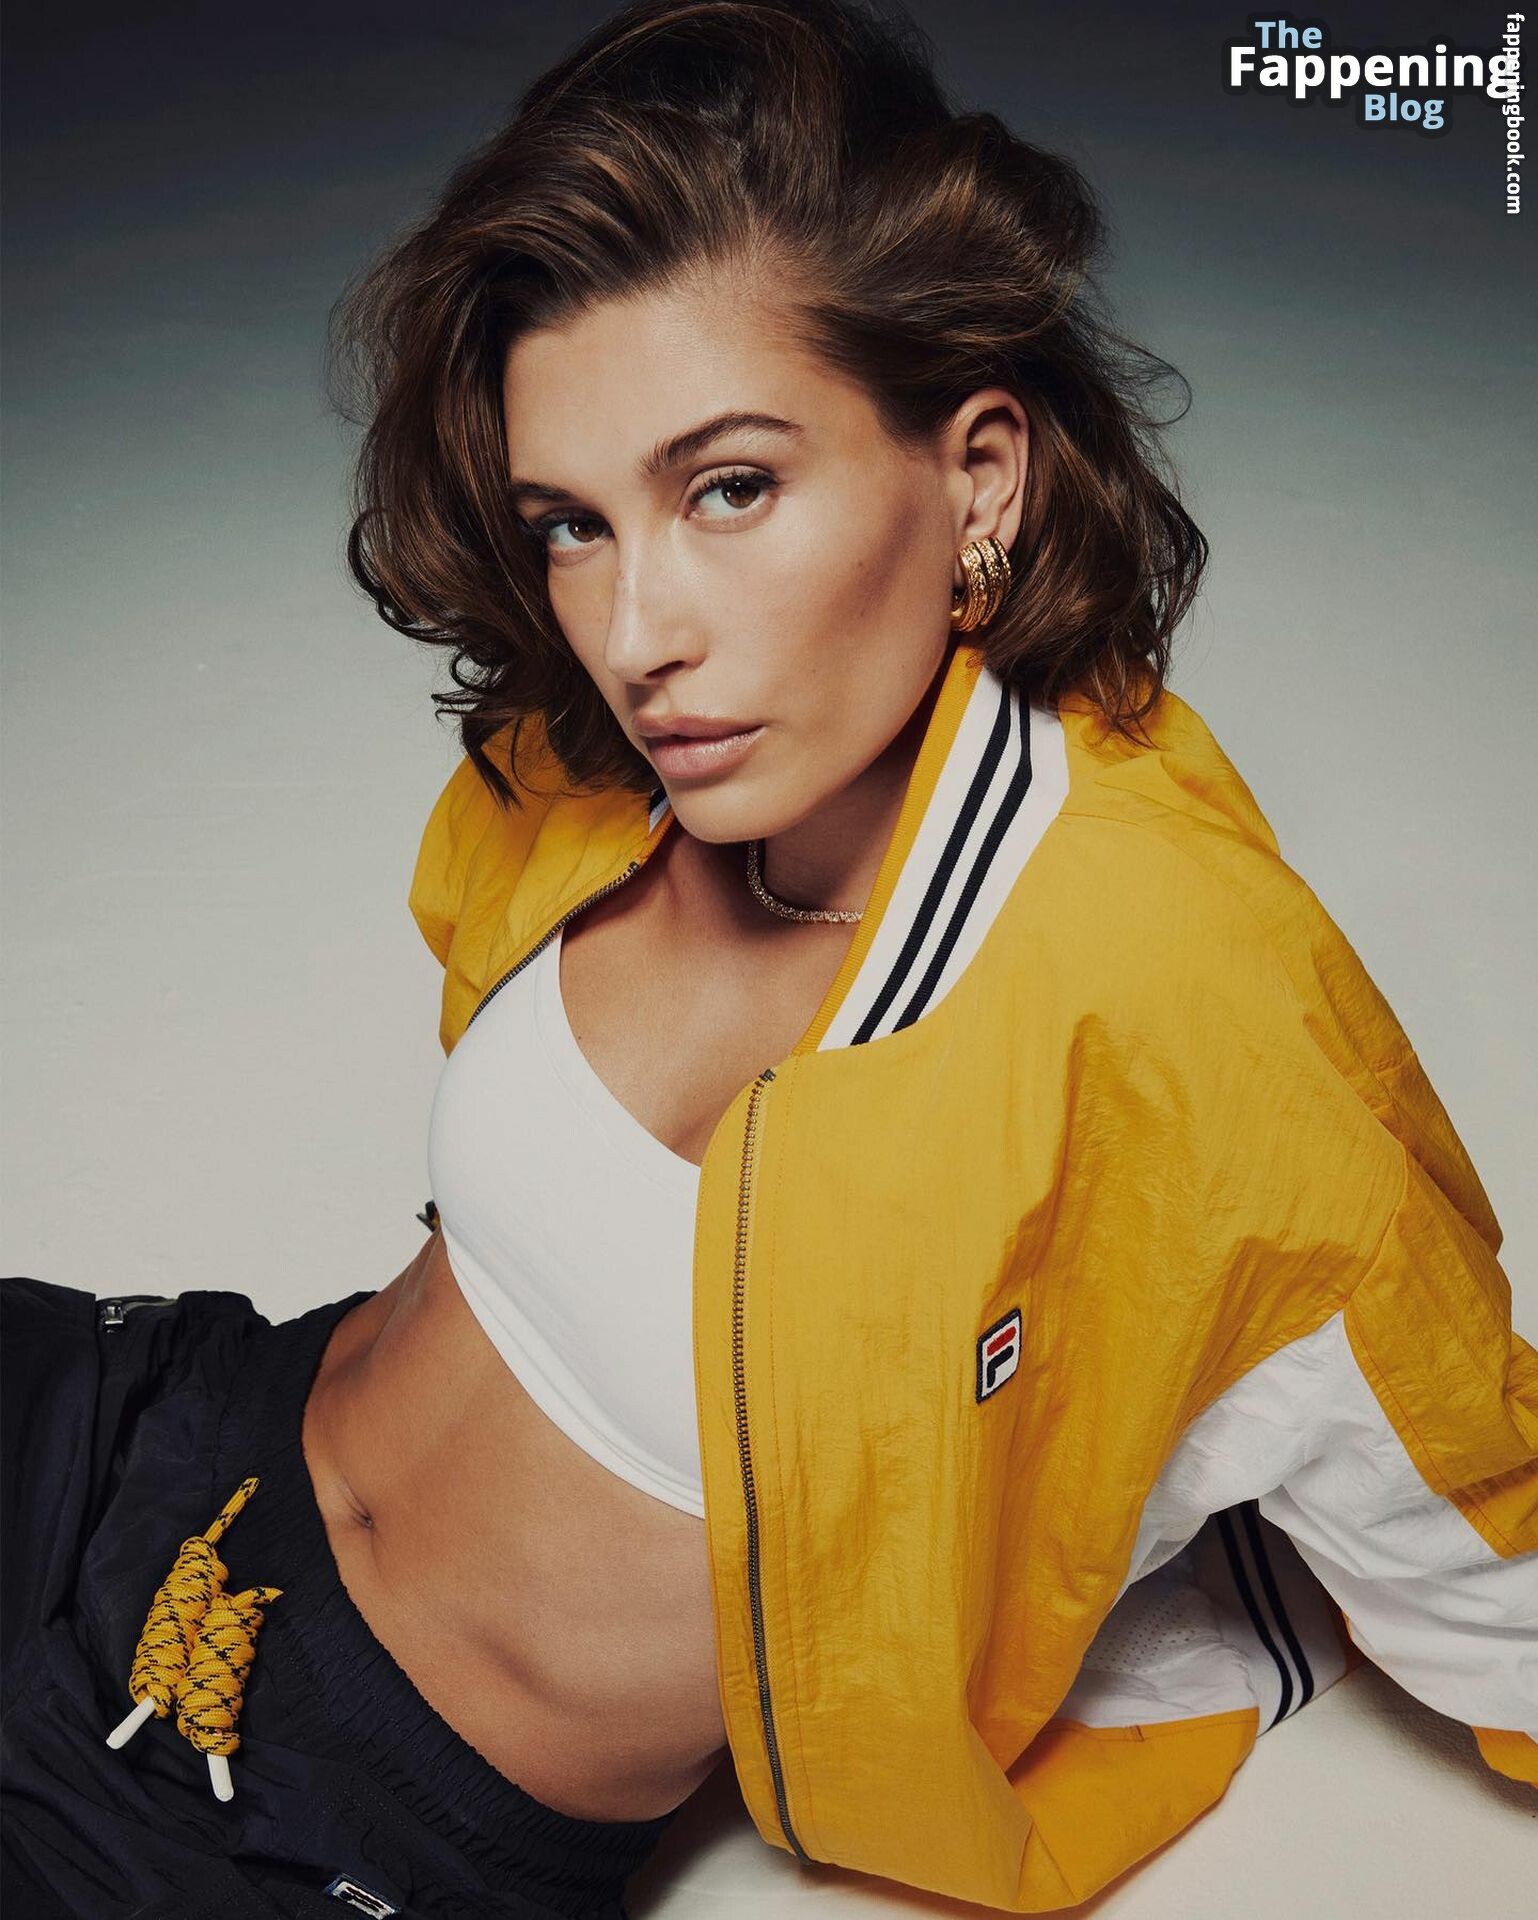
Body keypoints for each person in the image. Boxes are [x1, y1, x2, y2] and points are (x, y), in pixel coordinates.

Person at [4, 0, 1535, 1914]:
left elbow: (1468, 1505)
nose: (633, 633)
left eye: (728, 487)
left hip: (307, 1822)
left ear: (979, 476)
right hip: (163, 1417)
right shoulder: (607, 787)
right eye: (573, 524)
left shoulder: (1170, 990)